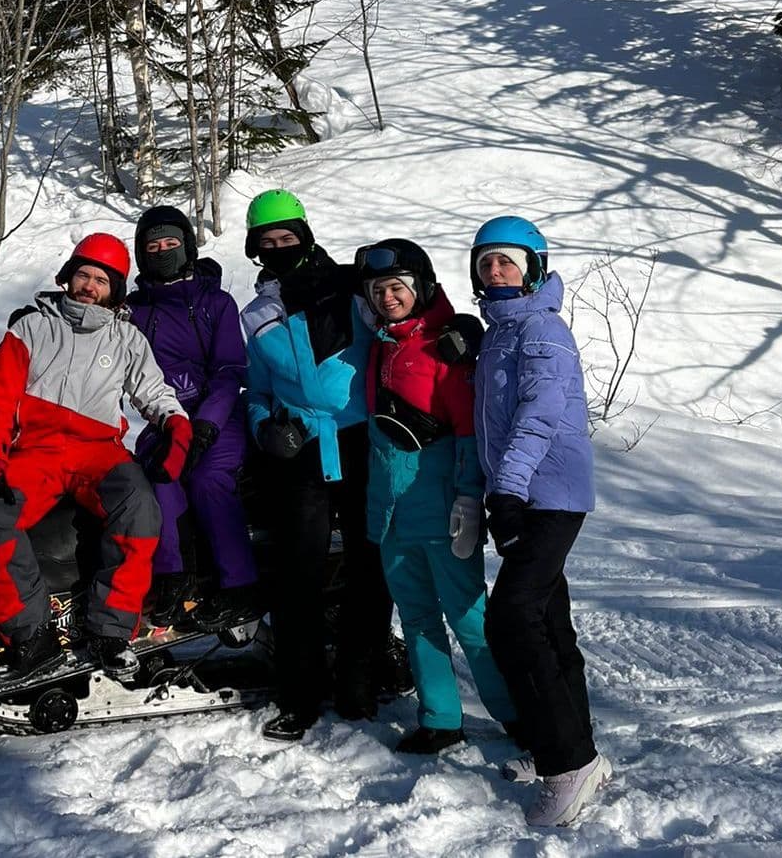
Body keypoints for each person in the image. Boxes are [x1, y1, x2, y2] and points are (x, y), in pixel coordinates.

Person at [0, 232, 191, 683]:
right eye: (84, 275)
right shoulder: (31, 328)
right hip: (36, 452)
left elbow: (152, 391)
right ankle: (32, 639)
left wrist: (176, 423)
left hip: (98, 452)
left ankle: (111, 633)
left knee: (140, 507)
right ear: (68, 278)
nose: (90, 286)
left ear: (115, 290)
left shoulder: (126, 337)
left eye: (101, 280)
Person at [471, 215, 611, 827]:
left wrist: (507, 489)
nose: (496, 271)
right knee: (549, 620)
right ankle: (573, 747)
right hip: (525, 492)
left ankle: (567, 762)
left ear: (533, 267)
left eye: (507, 260)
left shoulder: (541, 330)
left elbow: (540, 415)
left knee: (513, 617)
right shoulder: (498, 333)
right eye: (486, 262)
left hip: (548, 492)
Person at [240, 189, 394, 742]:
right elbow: (257, 387)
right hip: (301, 448)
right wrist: (263, 425)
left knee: (369, 566)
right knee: (296, 575)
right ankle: (299, 695)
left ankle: (359, 684)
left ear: (305, 236)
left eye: (287, 237)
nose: (279, 247)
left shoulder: (352, 288)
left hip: (360, 440)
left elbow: (404, 318)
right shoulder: (258, 313)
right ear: (255, 249)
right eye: (267, 241)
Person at [356, 239, 516, 755]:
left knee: (470, 620)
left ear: (420, 287)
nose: (387, 298)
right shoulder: (381, 343)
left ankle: (518, 716)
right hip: (391, 511)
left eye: (397, 287)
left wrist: (468, 499)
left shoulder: (447, 346)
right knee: (417, 618)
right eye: (377, 291)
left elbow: (469, 432)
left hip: (442, 508)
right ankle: (441, 718)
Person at [126, 206, 260, 629]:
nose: (163, 252)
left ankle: (240, 584)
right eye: (154, 246)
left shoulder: (214, 302)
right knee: (158, 478)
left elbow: (229, 369)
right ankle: (173, 575)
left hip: (216, 414)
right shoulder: (133, 311)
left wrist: (205, 425)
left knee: (208, 479)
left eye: (171, 243)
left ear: (186, 247)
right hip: (163, 418)